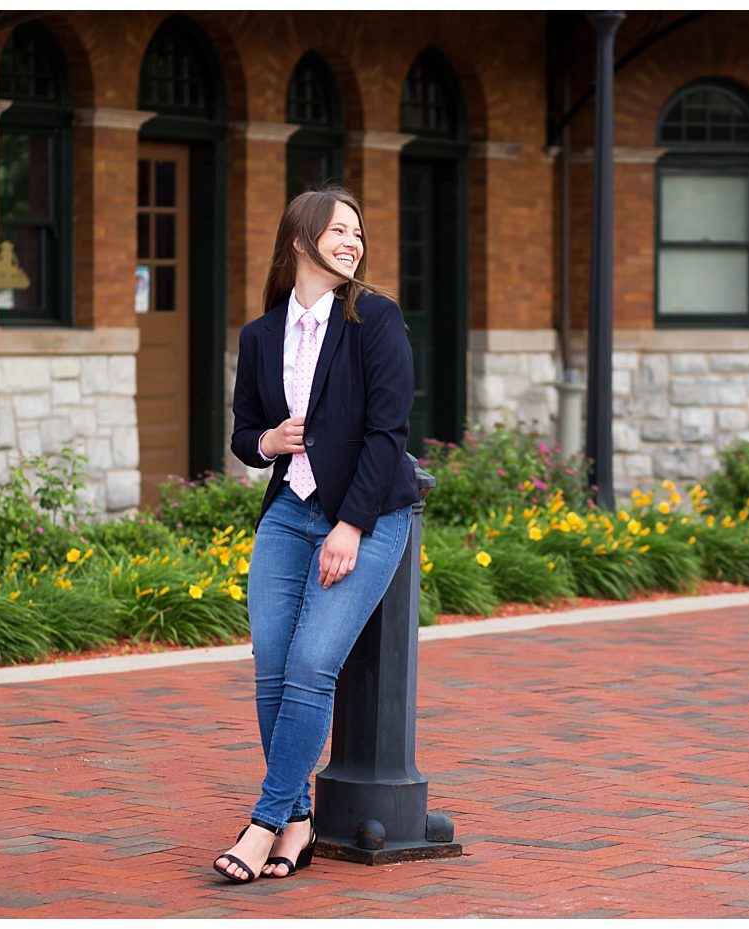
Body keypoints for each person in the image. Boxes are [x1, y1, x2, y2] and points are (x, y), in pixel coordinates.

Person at [212, 187, 423, 883]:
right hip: (286, 514)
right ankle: (298, 819)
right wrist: (268, 439)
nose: (353, 241)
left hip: (367, 518)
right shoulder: (261, 335)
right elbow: (246, 433)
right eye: (339, 229)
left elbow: (389, 433)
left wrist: (351, 524)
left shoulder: (375, 319)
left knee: (311, 666)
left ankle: (264, 821)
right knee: (272, 665)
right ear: (301, 240)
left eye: (358, 233)